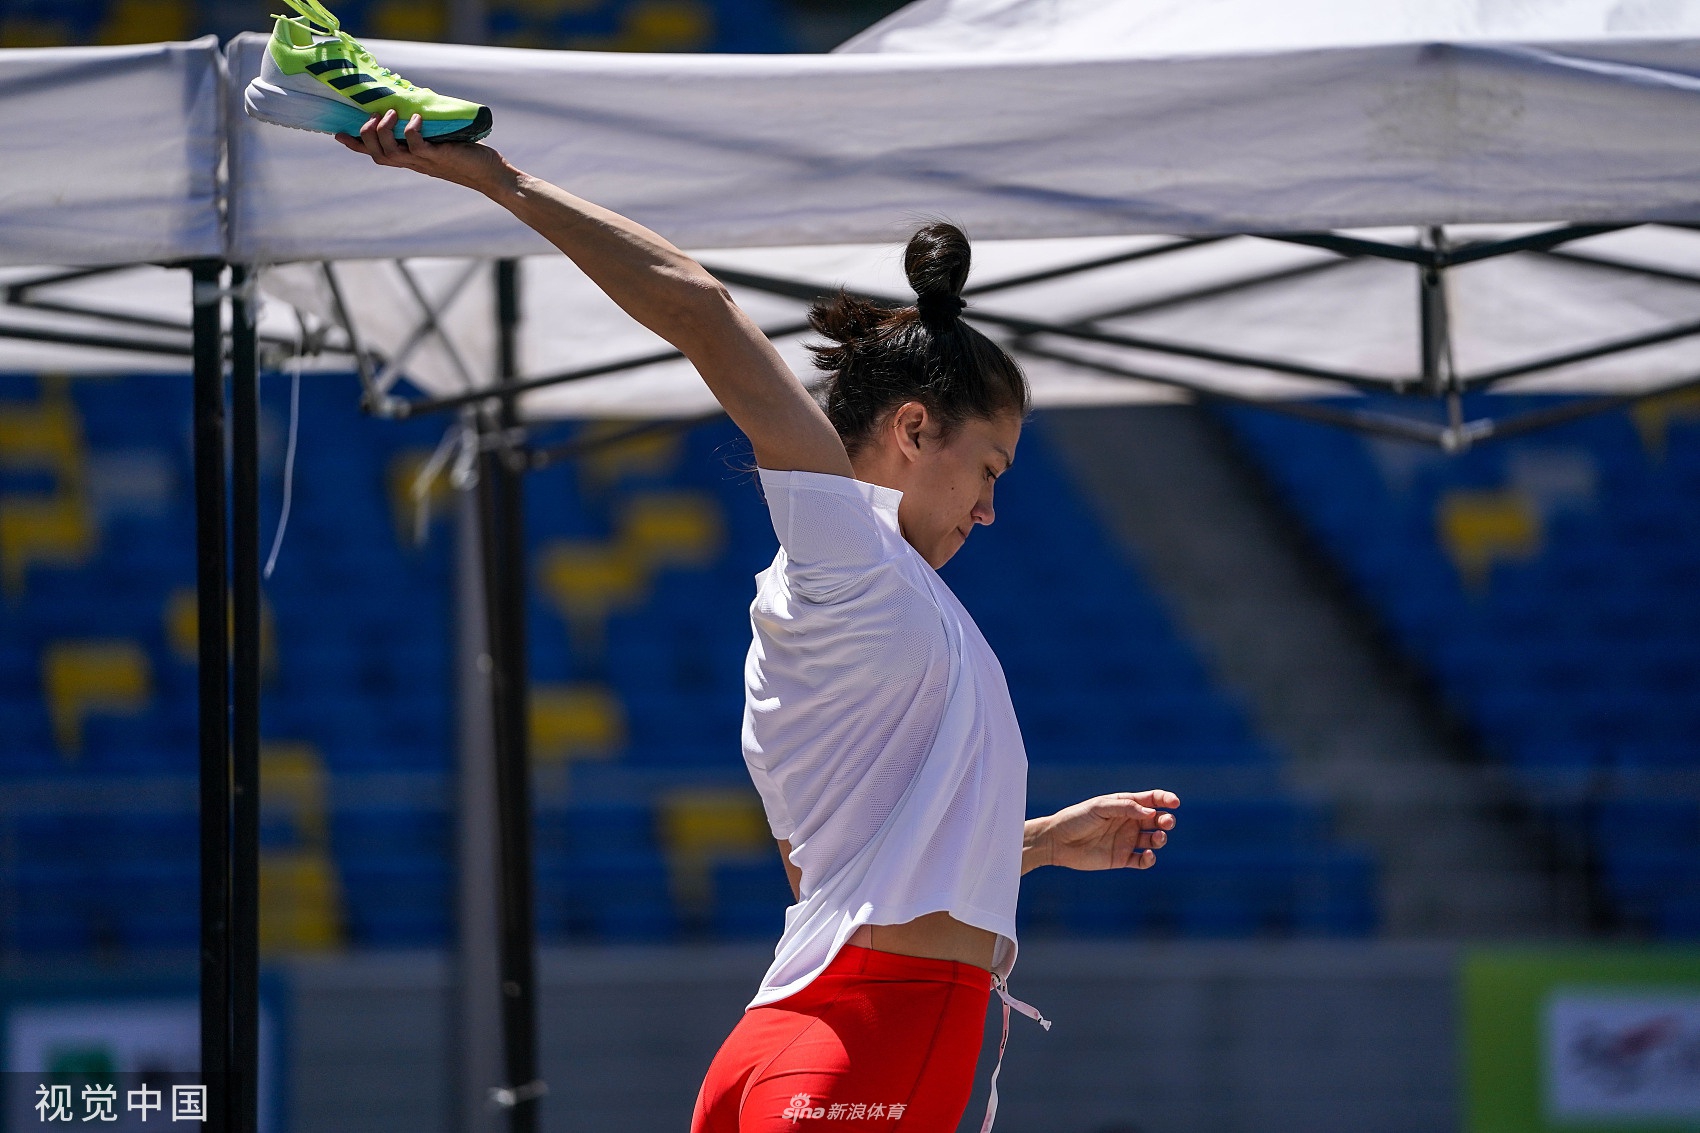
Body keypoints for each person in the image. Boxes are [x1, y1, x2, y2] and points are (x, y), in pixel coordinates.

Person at [338, 110, 1180, 1132]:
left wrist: (1042, 840)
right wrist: (497, 178)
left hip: (790, 1038)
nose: (992, 509)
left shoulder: (862, 599)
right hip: (869, 1040)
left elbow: (845, 876)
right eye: (988, 470)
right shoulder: (850, 562)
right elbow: (705, 312)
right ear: (914, 427)